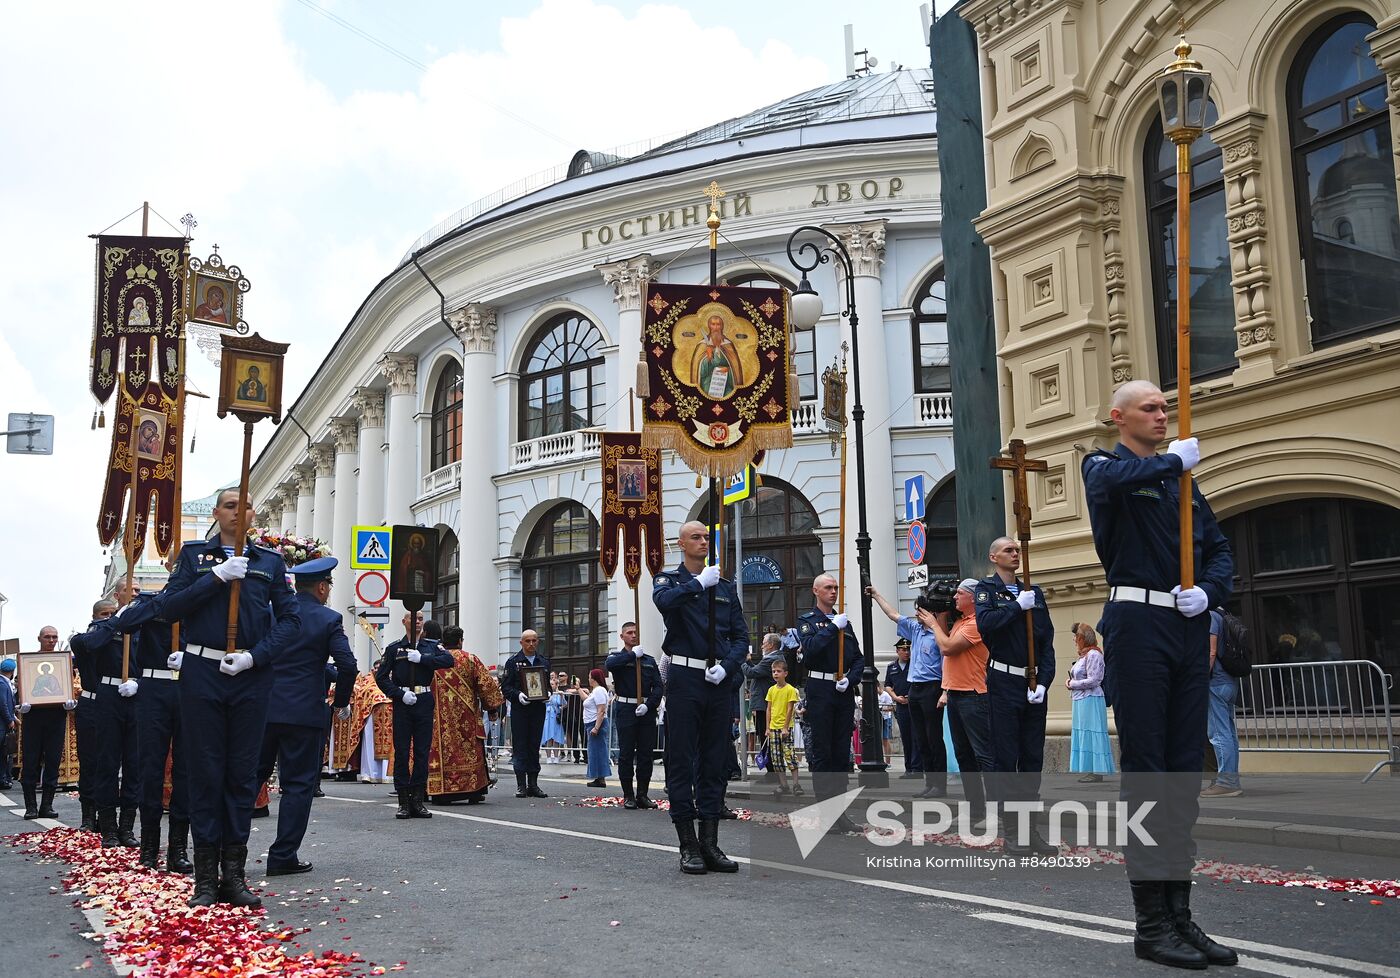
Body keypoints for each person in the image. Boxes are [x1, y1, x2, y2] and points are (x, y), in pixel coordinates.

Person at [1082, 378, 1237, 968]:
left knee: (1182, 777)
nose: (1162, 414)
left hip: (1186, 626)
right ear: (1119, 417)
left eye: (1165, 407)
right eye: (1150, 408)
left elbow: (1220, 549)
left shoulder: (1184, 484)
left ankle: (1180, 917)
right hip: (1137, 627)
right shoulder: (1105, 467)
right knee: (1149, 776)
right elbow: (1109, 482)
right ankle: (1151, 924)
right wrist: (1172, 461)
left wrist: (1211, 592)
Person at [103, 488, 300, 908]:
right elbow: (168, 608)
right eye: (229, 506)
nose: (237, 512)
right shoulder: (194, 558)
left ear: (252, 512)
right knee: (205, 772)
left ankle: (234, 873)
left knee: (242, 774)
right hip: (202, 673)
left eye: (244, 505)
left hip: (250, 674)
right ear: (216, 513)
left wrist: (255, 655)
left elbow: (291, 621)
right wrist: (216, 578)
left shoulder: (269, 561)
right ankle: (205, 878)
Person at [653, 520, 747, 874]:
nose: (703, 541)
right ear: (681, 544)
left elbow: (741, 637)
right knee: (681, 760)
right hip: (684, 678)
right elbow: (663, 602)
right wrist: (696, 585)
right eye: (696, 537)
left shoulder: (724, 587)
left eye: (707, 536)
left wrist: (728, 665)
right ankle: (687, 844)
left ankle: (710, 842)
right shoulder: (669, 581)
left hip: (716, 679)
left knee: (714, 761)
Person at [256, 557, 356, 875]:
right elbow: (348, 666)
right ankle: (282, 855)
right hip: (304, 712)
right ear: (323, 587)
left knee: (249, 780)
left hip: (263, 709)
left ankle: (228, 852)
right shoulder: (328, 619)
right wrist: (340, 703)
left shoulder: (270, 614)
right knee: (298, 785)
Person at [973, 537, 1057, 855]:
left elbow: (1046, 642)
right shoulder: (986, 590)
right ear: (993, 556)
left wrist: (1044, 682)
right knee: (1007, 760)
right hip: (1004, 681)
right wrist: (1014, 606)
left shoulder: (1033, 592)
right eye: (1008, 550)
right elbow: (987, 625)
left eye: (1017, 550)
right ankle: (1012, 833)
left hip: (1032, 685)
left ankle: (1030, 830)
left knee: (1032, 759)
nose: (1015, 554)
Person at [70, 580, 147, 850]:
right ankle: (109, 828)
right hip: (108, 696)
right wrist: (117, 621)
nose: (136, 594)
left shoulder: (144, 625)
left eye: (138, 590)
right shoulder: (105, 626)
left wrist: (140, 683)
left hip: (136, 694)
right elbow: (85, 645)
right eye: (131, 589)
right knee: (107, 764)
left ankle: (127, 827)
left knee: (134, 765)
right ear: (117, 596)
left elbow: (154, 660)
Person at [789, 574, 862, 830]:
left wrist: (850, 679)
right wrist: (832, 628)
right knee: (822, 753)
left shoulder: (846, 624)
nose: (834, 592)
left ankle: (840, 813)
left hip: (842, 690)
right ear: (816, 591)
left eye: (836, 588)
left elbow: (859, 659)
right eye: (828, 588)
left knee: (841, 754)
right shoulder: (808, 622)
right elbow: (810, 650)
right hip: (819, 689)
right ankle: (825, 813)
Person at [867, 583, 947, 799]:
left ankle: (940, 783)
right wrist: (876, 595)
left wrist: (945, 691)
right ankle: (929, 782)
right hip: (915, 689)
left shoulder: (939, 634)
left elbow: (948, 662)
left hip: (932, 687)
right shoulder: (915, 630)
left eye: (921, 611)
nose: (917, 615)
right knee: (920, 738)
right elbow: (893, 614)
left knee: (934, 737)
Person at [926, 580, 994, 825]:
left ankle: (996, 811)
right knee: (964, 756)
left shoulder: (977, 623)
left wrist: (933, 623)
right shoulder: (962, 622)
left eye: (959, 594)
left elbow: (946, 648)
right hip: (956, 695)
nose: (954, 597)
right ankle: (976, 811)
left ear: (974, 598)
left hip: (974, 696)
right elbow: (943, 640)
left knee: (985, 756)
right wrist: (941, 617)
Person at [376, 612, 454, 819]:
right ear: (404, 622)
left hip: (424, 700)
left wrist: (423, 659)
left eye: (420, 619)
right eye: (413, 619)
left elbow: (448, 660)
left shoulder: (430, 646)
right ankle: (403, 801)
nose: (417, 622)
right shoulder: (394, 648)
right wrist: (399, 694)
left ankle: (418, 800)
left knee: (422, 751)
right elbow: (381, 678)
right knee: (402, 751)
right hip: (404, 702)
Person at [425, 624, 503, 804]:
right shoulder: (470, 660)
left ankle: (441, 792)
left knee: (440, 750)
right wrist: (492, 709)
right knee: (470, 751)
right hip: (466, 716)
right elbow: (486, 686)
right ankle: (473, 790)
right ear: (460, 641)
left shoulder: (434, 659)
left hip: (438, 716)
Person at [18, 627, 77, 820]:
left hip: (56, 717)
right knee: (31, 761)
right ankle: (31, 807)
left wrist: (68, 699)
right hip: (33, 717)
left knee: (53, 761)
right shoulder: (29, 664)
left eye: (54, 637)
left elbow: (64, 687)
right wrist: (23, 701)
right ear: (39, 638)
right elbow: (27, 688)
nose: (51, 640)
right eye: (47, 637)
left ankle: (47, 806)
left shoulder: (61, 666)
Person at [604, 621, 662, 808]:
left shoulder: (648, 660)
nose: (633, 635)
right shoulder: (618, 657)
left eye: (636, 632)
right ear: (622, 637)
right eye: (629, 633)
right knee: (626, 753)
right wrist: (631, 655)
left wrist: (649, 704)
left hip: (645, 710)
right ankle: (628, 795)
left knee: (646, 754)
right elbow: (610, 665)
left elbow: (658, 687)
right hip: (626, 709)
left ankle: (643, 795)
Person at [71, 601, 113, 832]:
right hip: (90, 702)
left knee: (110, 762)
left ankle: (109, 815)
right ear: (94, 616)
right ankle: (88, 815)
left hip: (113, 703)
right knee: (89, 762)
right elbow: (86, 645)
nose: (108, 618)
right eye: (103, 614)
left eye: (112, 614)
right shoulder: (83, 639)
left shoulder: (119, 639)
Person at [499, 630, 550, 798]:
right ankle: (521, 784)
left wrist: (548, 694)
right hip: (520, 710)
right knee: (520, 745)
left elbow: (547, 685)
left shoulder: (543, 662)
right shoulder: (513, 662)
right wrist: (518, 695)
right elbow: (506, 687)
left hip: (537, 709)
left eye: (534, 640)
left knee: (534, 745)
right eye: (527, 641)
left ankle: (533, 784)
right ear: (521, 643)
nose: (531, 644)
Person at [1066, 622, 1114, 784]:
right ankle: (1091, 769)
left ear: (1082, 638)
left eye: (1076, 637)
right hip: (1081, 699)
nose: (1074, 640)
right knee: (1085, 733)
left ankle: (1097, 771)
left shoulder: (1094, 655)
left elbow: (1095, 680)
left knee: (1092, 732)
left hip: (1091, 699)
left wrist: (1071, 684)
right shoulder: (1084, 656)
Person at [1201, 610, 1243, 798]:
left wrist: (1199, 680)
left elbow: (1211, 651)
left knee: (1218, 734)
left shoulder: (1208, 616)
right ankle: (1231, 780)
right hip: (1228, 681)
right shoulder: (1223, 614)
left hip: (1215, 683)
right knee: (1228, 734)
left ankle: (1226, 782)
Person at [883, 638, 921, 778]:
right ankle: (909, 768)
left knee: (916, 736)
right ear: (897, 651)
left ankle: (917, 768)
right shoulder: (892, 667)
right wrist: (894, 697)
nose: (907, 652)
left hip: (914, 703)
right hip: (900, 704)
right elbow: (887, 684)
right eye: (903, 650)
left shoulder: (915, 664)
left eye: (908, 649)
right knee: (906, 737)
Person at [765, 658, 802, 798]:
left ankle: (796, 784)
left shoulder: (790, 689)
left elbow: (790, 709)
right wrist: (768, 727)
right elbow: (769, 709)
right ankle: (784, 784)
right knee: (776, 758)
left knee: (789, 755)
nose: (775, 674)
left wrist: (785, 727)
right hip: (773, 728)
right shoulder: (771, 690)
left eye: (778, 671)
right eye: (774, 671)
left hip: (785, 728)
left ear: (785, 673)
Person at [690, 312, 744, 397]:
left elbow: (736, 369)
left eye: (718, 324)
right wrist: (708, 358)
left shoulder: (728, 344)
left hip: (726, 382)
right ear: (709, 326)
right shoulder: (703, 344)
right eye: (713, 324)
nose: (715, 328)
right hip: (708, 383)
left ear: (722, 326)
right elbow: (700, 373)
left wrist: (728, 370)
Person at [582, 669, 611, 788]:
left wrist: (596, 727)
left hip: (596, 723)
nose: (588, 679)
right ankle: (599, 777)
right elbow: (587, 701)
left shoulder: (599, 690)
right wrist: (578, 689)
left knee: (597, 751)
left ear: (594, 678)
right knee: (595, 751)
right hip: (593, 723)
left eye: (589, 677)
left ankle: (600, 777)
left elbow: (601, 710)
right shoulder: (596, 691)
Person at [542, 676, 565, 763]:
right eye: (550, 684)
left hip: (555, 717)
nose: (551, 686)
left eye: (552, 684)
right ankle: (548, 757)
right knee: (548, 737)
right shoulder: (546, 693)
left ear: (556, 685)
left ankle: (555, 756)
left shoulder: (558, 694)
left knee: (556, 737)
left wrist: (561, 696)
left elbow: (563, 704)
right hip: (547, 717)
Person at [0, 658, 15, 789]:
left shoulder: (4, 683)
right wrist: (9, 720)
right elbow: (3, 704)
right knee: (3, 753)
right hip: (2, 725)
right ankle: (2, 779)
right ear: (12, 671)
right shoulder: (2, 684)